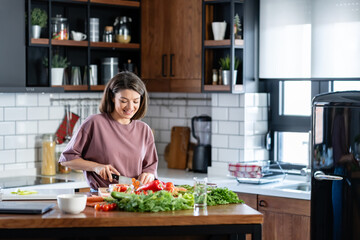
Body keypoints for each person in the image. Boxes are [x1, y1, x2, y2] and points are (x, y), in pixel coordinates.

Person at [59, 71, 158, 191]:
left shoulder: (144, 130)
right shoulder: (95, 123)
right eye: (124, 101)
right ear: (112, 97)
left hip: (136, 197)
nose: (130, 107)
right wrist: (96, 167)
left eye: (136, 101)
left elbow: (150, 168)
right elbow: (66, 159)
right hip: (102, 197)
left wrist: (149, 175)